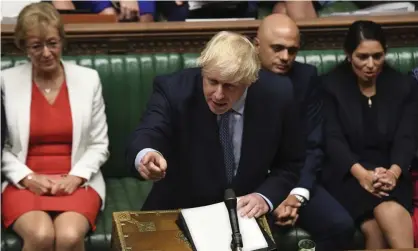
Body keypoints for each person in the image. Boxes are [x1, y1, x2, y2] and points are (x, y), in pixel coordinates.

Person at [126, 31, 305, 218]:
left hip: (246, 213)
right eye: (212, 82)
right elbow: (148, 131)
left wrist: (263, 197)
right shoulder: (174, 89)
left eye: (230, 86)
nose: (218, 94)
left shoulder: (278, 95)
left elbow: (290, 164)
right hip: (179, 207)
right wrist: (146, 154)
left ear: (248, 82)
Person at [1, 3, 109, 251]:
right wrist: (27, 178)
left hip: (78, 180)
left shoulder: (88, 79)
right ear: (23, 47)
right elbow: (1, 146)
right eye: (36, 46)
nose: (46, 53)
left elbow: (99, 144)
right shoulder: (5, 81)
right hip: (24, 182)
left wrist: (76, 177)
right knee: (40, 235)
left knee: (70, 236)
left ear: (62, 41)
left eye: (52, 43)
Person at [254, 13, 355, 250]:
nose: (285, 57)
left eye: (292, 50)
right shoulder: (237, 76)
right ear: (256, 45)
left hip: (295, 178)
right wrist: (271, 198)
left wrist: (297, 195)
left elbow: (313, 142)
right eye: (277, 48)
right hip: (251, 185)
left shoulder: (305, 77)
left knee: (340, 225)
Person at [321, 20, 417, 249]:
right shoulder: (329, 85)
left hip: (391, 171)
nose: (371, 64)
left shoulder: (403, 86)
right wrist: (363, 175)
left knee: (376, 227)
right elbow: (332, 139)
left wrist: (393, 173)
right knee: (382, 215)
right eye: (362, 57)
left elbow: (407, 137)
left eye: (378, 56)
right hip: (348, 174)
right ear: (348, 54)